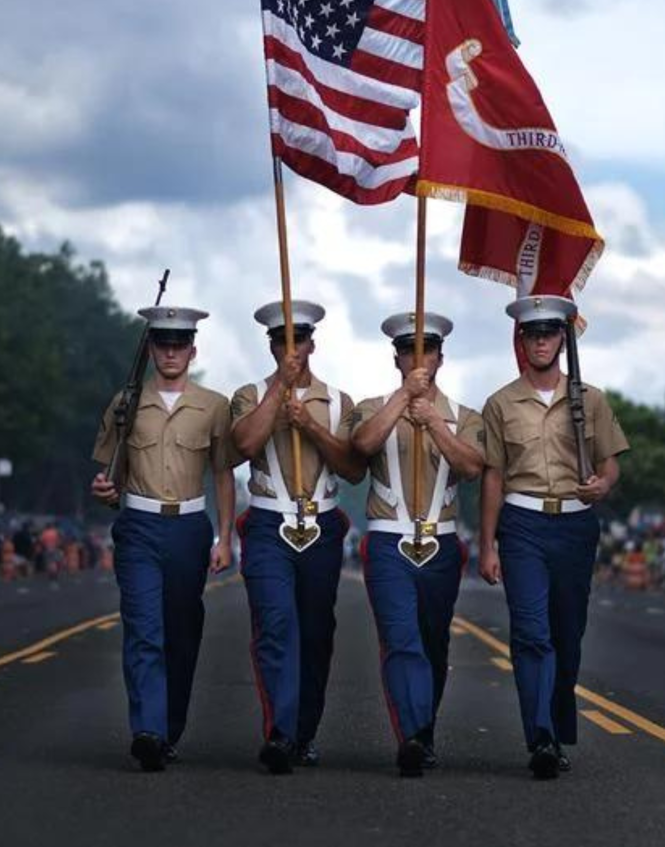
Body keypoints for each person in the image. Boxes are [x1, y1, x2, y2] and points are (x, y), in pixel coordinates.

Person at [477, 295, 630, 780]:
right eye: (532, 333)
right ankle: (540, 735)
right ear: (521, 340)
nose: (540, 340)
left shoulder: (592, 399)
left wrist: (602, 485)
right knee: (531, 633)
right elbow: (494, 478)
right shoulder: (501, 403)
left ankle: (557, 726)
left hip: (576, 524)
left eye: (548, 332)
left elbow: (611, 463)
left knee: (567, 634)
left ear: (563, 338)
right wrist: (487, 545)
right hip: (522, 524)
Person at [90, 305, 237, 773]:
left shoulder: (214, 406)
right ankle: (148, 731)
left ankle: (169, 728)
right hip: (139, 528)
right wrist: (104, 491)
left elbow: (224, 474)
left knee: (181, 632)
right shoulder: (124, 403)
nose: (171, 352)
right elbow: (108, 474)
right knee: (144, 630)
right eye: (162, 344)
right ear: (151, 350)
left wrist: (225, 537)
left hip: (190, 529)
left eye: (179, 345)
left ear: (192, 350)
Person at [350, 310, 485, 777]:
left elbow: (472, 468)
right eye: (409, 350)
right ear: (397, 359)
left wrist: (434, 421)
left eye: (427, 349)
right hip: (389, 540)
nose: (418, 358)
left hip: (441, 543)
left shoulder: (464, 417)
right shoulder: (372, 406)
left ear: (441, 358)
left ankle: (423, 729)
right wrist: (404, 400)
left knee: (432, 644)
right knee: (402, 640)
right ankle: (410, 734)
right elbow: (362, 445)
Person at [230, 299, 363, 774]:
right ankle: (281, 732)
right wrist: (278, 396)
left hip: (321, 523)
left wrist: (309, 425)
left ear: (312, 344)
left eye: (299, 340)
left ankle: (304, 730)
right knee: (276, 625)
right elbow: (243, 445)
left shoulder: (338, 402)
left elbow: (351, 467)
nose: (291, 350)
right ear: (270, 347)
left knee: (314, 634)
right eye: (280, 342)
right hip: (269, 522)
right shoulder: (249, 395)